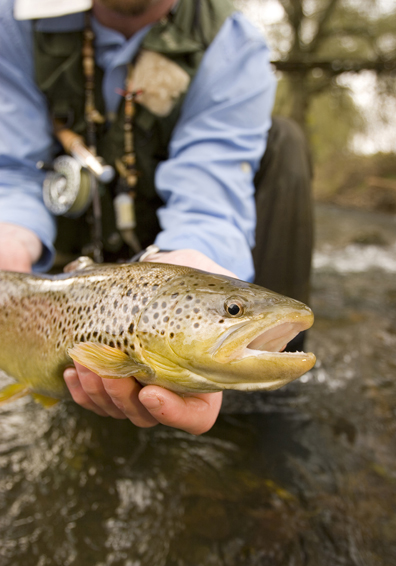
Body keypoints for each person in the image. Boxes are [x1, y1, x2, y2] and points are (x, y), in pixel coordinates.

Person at [0, 0, 313, 434]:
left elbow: (211, 190)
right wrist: (10, 242)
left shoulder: (232, 41)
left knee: (285, 141)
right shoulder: (15, 16)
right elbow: (12, 168)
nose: (237, 312)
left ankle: (264, 409)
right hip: (60, 255)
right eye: (235, 310)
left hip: (163, 246)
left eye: (234, 310)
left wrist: (192, 259)